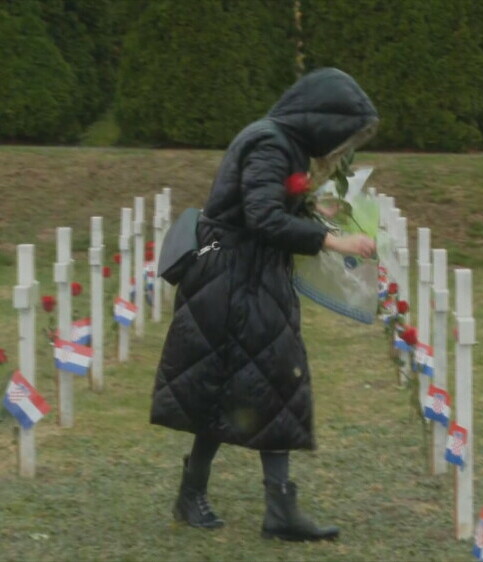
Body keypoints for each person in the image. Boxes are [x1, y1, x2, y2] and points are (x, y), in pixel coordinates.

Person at [150, 68, 379, 542]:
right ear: (323, 119)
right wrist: (334, 241)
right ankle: (235, 502)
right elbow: (261, 218)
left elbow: (265, 205)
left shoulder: (280, 141)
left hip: (249, 277)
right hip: (233, 279)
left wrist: (314, 210)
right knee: (256, 382)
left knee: (253, 385)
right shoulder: (271, 143)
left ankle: (256, 505)